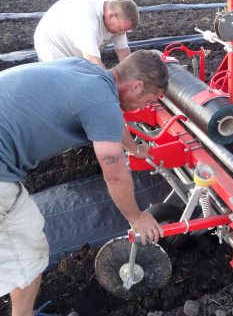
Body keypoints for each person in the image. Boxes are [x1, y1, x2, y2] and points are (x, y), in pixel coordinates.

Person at [0, 50, 168, 316]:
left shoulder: (89, 72)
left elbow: (112, 119)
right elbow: (114, 173)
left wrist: (134, 149)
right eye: (147, 99)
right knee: (28, 255)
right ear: (137, 85)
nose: (144, 107)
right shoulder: (102, 102)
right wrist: (136, 218)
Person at [34, 0, 139, 68]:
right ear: (110, 16)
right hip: (53, 46)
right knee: (61, 81)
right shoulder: (86, 18)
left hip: (77, 47)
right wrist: (112, 85)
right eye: (120, 30)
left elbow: (123, 52)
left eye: (125, 31)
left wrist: (133, 76)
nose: (121, 33)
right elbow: (93, 62)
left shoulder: (118, 13)